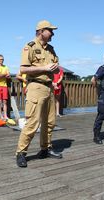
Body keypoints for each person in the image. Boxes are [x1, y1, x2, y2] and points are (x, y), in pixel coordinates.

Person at [16, 20, 63, 168]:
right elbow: (23, 69)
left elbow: (55, 67)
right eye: (50, 30)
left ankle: (45, 148)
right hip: (36, 86)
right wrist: (45, 68)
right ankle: (21, 153)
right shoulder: (29, 47)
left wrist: (54, 69)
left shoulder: (51, 49)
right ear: (41, 31)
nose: (53, 33)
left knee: (50, 122)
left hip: (49, 88)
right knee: (32, 122)